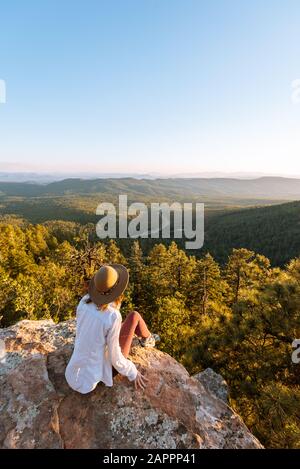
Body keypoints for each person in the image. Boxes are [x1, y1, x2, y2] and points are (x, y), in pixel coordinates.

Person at [65, 264, 159, 394]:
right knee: (134, 316)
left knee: (119, 327)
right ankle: (148, 339)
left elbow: (95, 324)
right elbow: (116, 358)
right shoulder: (113, 316)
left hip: (72, 373)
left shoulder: (84, 301)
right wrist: (133, 372)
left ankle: (147, 337)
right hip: (96, 375)